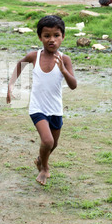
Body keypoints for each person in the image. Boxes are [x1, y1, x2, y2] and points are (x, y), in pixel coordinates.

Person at [7, 15, 77, 186]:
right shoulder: (34, 56)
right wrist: (10, 85)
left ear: (63, 37)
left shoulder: (65, 59)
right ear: (40, 37)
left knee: (54, 144)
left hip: (56, 109)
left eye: (56, 35)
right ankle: (44, 168)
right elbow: (20, 64)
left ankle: (40, 160)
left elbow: (73, 85)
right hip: (37, 108)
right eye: (47, 36)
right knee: (47, 141)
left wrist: (63, 70)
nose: (51, 40)